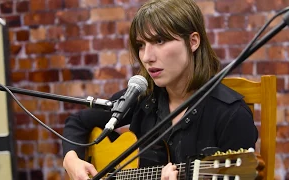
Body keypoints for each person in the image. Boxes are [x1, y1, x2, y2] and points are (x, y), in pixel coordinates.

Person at [62, 0, 258, 179]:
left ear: (193, 42)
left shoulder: (232, 115)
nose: (147, 57)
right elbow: (77, 123)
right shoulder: (142, 98)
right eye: (141, 44)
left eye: (159, 41)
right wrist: (71, 159)